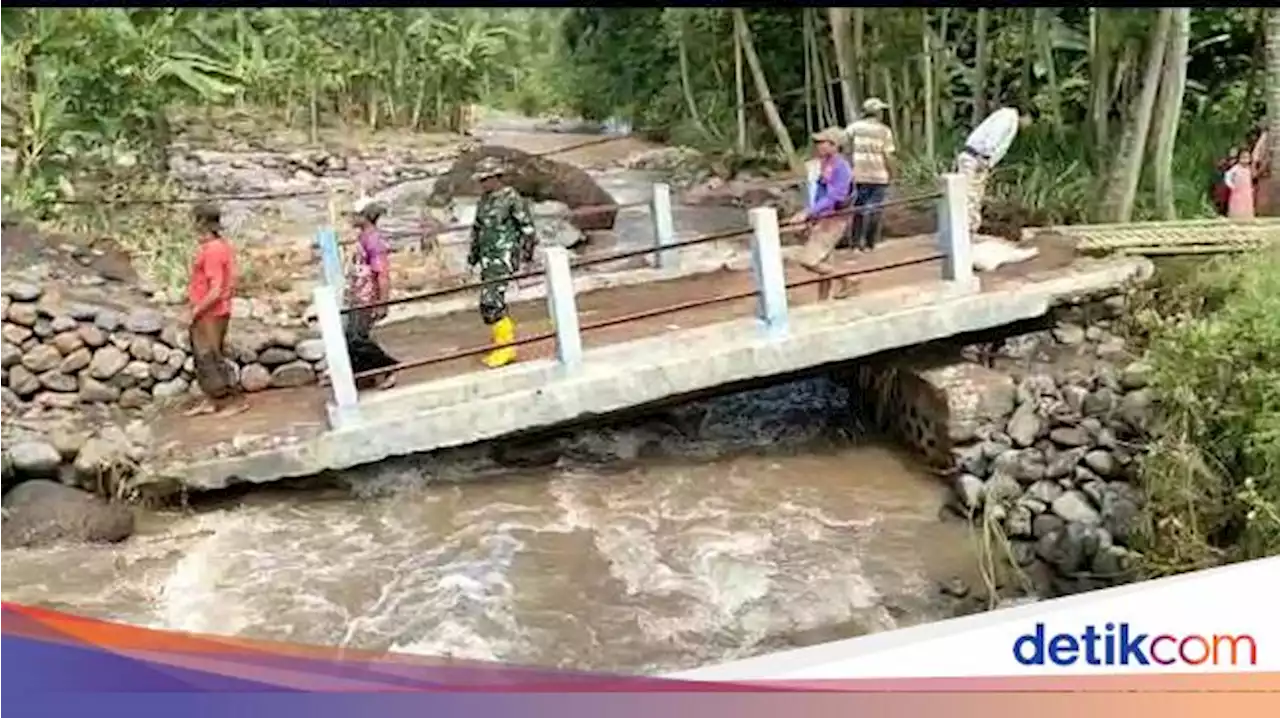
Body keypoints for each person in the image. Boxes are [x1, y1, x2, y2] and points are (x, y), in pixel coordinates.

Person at [468, 157, 538, 368]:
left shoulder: (512, 198)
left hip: (503, 256)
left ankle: (506, 348)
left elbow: (528, 230)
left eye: (485, 179)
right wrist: (472, 258)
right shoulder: (484, 200)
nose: (482, 184)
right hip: (487, 258)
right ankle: (502, 343)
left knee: (491, 302)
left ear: (496, 178)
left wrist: (527, 259)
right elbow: (477, 230)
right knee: (489, 303)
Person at [184, 203, 248, 417]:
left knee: (213, 357)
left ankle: (234, 401)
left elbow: (216, 289)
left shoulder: (213, 250)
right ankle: (210, 400)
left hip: (211, 312)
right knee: (204, 358)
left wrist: (196, 310)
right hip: (210, 310)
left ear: (202, 223)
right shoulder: (216, 247)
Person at [787, 127, 854, 300]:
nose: (818, 145)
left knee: (808, 260)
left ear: (834, 145)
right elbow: (820, 193)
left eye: (822, 142)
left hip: (833, 218)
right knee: (824, 262)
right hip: (825, 217)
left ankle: (847, 280)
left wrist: (808, 212)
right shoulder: (827, 163)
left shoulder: (841, 167)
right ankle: (823, 301)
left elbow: (835, 196)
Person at [344, 197, 399, 389]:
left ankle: (388, 366)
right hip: (358, 295)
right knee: (353, 337)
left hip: (367, 297)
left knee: (357, 339)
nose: (351, 217)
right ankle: (364, 376)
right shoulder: (363, 237)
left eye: (356, 214)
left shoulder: (374, 241)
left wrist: (383, 302)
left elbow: (382, 273)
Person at [955, 107, 1030, 234]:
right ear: (1027, 116)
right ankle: (967, 232)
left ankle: (968, 230)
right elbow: (994, 137)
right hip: (977, 159)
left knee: (973, 196)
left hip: (976, 158)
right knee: (971, 197)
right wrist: (985, 158)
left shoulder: (1006, 116)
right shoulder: (1008, 118)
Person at [844, 97, 897, 252]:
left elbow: (845, 148)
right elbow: (888, 155)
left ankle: (855, 244)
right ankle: (869, 244)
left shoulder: (854, 128)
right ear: (878, 112)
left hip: (859, 173)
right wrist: (893, 172)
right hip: (879, 175)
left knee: (858, 207)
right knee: (875, 209)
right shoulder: (884, 131)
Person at [1225, 147, 1256, 220]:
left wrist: (1251, 188)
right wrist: (1231, 186)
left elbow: (1250, 179)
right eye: (1243, 157)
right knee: (1238, 205)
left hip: (1247, 192)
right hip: (1237, 192)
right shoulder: (1235, 168)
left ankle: (1247, 218)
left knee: (1247, 205)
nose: (1245, 160)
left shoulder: (1249, 169)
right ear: (1239, 158)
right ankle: (1236, 218)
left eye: (1247, 157)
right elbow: (1228, 176)